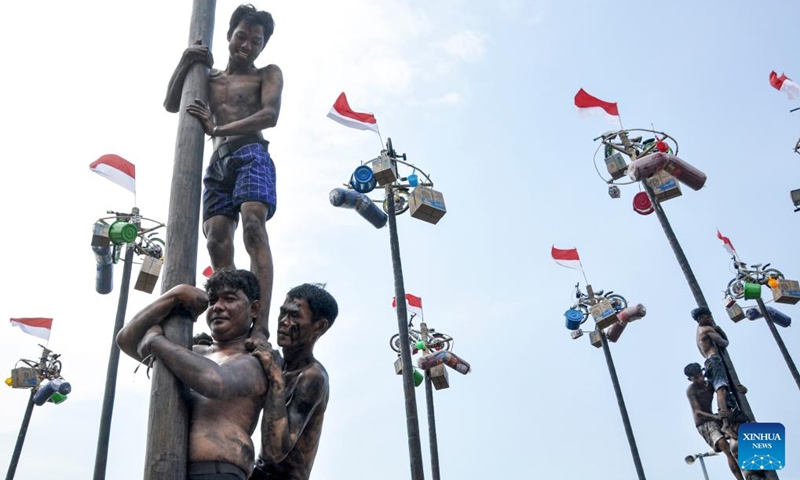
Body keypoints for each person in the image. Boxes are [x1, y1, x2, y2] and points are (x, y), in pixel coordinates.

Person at [164, 4, 283, 350]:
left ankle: (258, 326)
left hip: (251, 152)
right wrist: (187, 60)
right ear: (230, 35)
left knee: (252, 225)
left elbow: (269, 115)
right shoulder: (208, 77)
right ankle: (229, 317)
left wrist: (218, 127)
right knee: (216, 238)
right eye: (242, 37)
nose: (247, 46)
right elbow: (173, 104)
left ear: (262, 47)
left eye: (255, 42)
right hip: (218, 163)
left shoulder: (267, 74)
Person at [117, 269, 269, 480]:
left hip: (218, 472)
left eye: (230, 299)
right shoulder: (190, 352)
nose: (218, 306)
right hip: (167, 468)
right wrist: (174, 296)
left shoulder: (256, 362)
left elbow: (216, 382)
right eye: (213, 300)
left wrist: (155, 342)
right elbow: (126, 339)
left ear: (253, 309)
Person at [249, 284, 338, 480]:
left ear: (320, 326)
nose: (284, 322)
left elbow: (274, 452)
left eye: (294, 316)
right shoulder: (276, 363)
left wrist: (274, 376)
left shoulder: (312, 377)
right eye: (283, 313)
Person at [684, 362, 746, 480]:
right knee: (726, 449)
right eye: (696, 378)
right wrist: (716, 417)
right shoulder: (691, 390)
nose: (700, 379)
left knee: (737, 435)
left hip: (714, 417)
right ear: (690, 379)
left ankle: (752, 470)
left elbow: (724, 389)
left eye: (700, 375)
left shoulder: (710, 383)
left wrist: (740, 389)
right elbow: (698, 412)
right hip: (704, 424)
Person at [691, 307, 734, 432]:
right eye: (708, 317)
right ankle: (725, 422)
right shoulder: (707, 329)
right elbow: (724, 343)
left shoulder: (698, 331)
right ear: (701, 318)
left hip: (708, 362)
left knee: (721, 389)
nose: (710, 319)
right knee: (721, 389)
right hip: (714, 360)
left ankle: (727, 418)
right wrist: (720, 330)